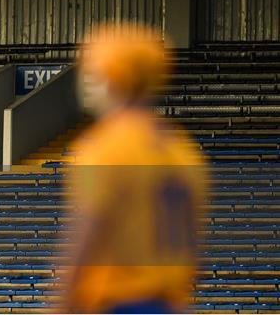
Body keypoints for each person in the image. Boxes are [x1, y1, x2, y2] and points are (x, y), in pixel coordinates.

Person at [61, 23, 209, 314]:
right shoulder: (182, 149)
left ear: (114, 76)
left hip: (119, 303)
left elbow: (85, 241)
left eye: (90, 71)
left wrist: (62, 306)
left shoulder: (107, 146)